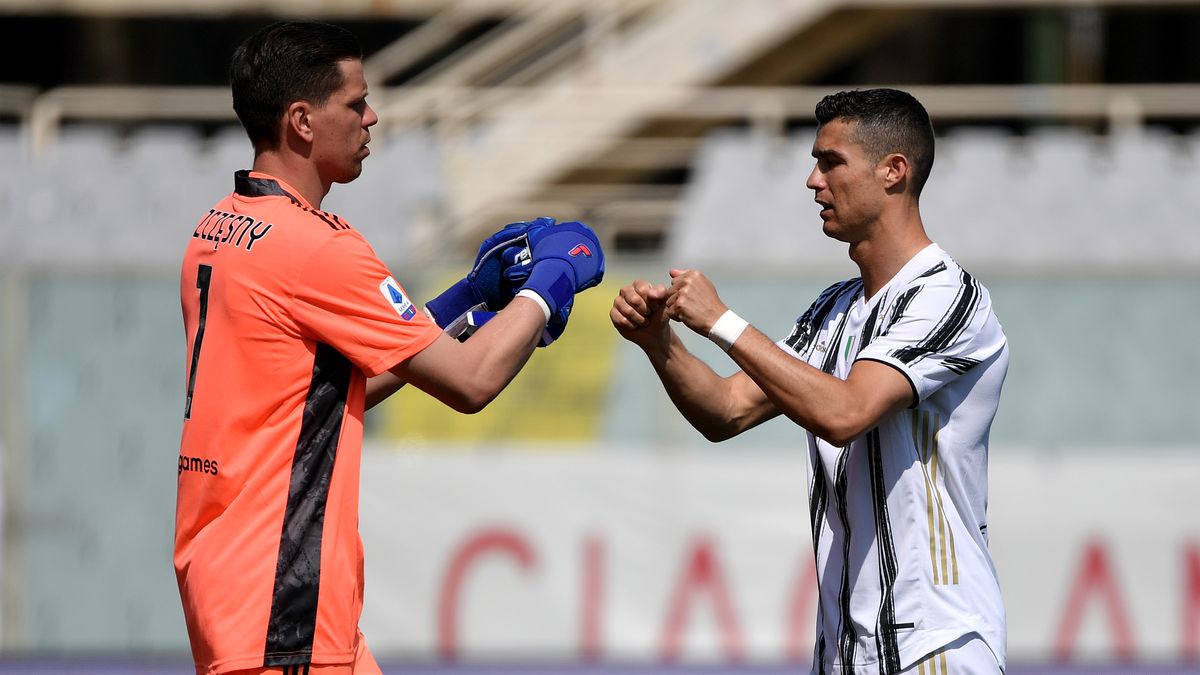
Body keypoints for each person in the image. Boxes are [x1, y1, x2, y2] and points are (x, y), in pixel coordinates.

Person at [175, 21, 603, 675]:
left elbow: (325, 389)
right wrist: (552, 281)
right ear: (302, 121)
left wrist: (466, 298)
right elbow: (471, 381)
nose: (372, 117)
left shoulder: (217, 228)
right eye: (354, 102)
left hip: (249, 585)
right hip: (279, 605)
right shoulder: (316, 246)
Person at [611, 88, 1008, 674]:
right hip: (846, 650)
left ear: (893, 171)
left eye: (830, 161)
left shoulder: (947, 295)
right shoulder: (837, 308)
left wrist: (721, 320)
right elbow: (726, 410)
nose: (812, 181)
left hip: (935, 644)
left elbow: (846, 414)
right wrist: (657, 341)